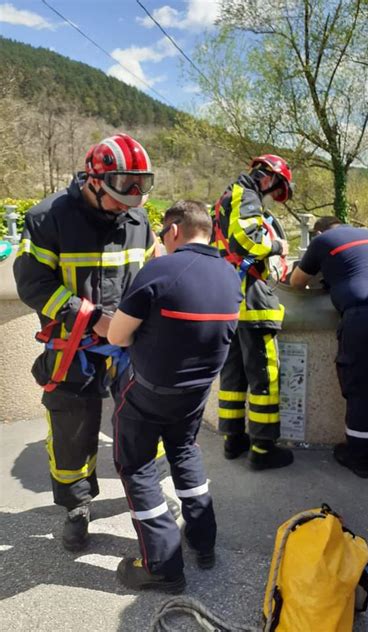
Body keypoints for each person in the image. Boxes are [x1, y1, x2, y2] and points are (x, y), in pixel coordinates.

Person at [14, 133, 156, 551]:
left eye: (138, 192)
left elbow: (148, 275)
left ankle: (146, 502)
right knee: (73, 430)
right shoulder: (48, 219)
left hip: (129, 347)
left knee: (143, 423)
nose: (130, 203)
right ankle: (77, 508)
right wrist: (89, 318)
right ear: (94, 181)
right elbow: (33, 283)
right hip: (73, 348)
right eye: (120, 194)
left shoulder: (137, 219)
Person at [108, 200, 242, 592]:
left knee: (136, 467)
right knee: (184, 453)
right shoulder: (229, 275)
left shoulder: (161, 269)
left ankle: (162, 565)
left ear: (171, 232)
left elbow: (117, 335)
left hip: (149, 391)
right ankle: (203, 541)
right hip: (196, 393)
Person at [290, 216, 368, 478]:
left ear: (319, 231)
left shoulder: (323, 240)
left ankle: (359, 458)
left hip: (364, 315)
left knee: (361, 388)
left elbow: (296, 282)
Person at [212, 154, 294, 470]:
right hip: (252, 295)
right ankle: (263, 449)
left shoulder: (225, 197)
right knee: (265, 375)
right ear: (268, 178)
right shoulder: (246, 195)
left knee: (233, 372)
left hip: (228, 297)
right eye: (275, 190)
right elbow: (246, 240)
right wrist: (278, 248)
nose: (272, 197)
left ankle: (233, 440)